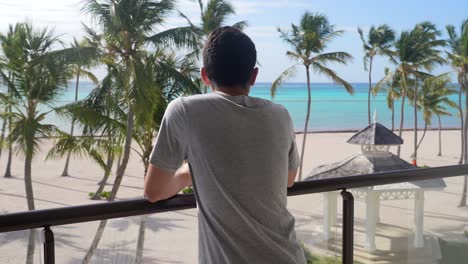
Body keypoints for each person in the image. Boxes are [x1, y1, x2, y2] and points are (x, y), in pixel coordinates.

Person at [144, 26, 306, 264]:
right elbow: (289, 180)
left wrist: (190, 172)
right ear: (253, 75)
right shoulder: (280, 114)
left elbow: (154, 191)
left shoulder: (184, 110)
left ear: (204, 75)